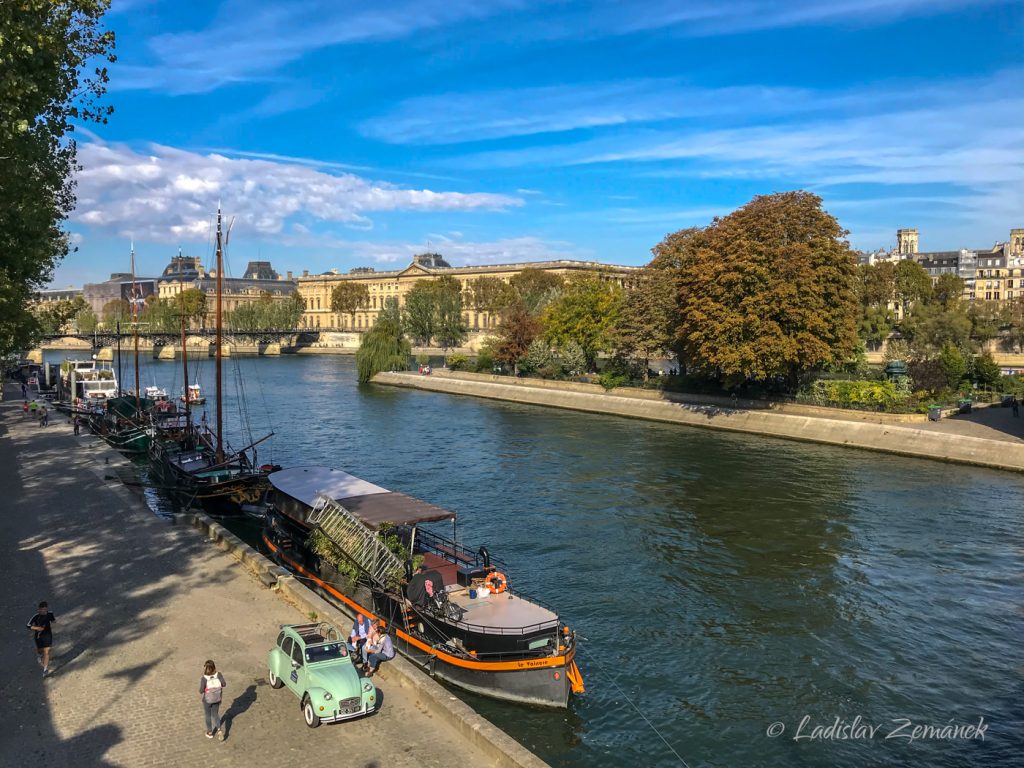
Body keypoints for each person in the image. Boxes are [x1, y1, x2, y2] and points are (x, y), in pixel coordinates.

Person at [199, 660, 227, 740]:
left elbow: (201, 691)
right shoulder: (219, 675)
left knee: (208, 715)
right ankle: (219, 730)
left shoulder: (204, 678)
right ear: (214, 667)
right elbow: (224, 684)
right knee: (215, 714)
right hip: (217, 698)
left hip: (207, 700)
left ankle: (210, 732)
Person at [27, 601, 56, 676]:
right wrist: (37, 628)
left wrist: (55, 623)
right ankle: (39, 655)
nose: (44, 611)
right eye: (42, 610)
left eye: (45, 610)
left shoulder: (50, 614)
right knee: (40, 651)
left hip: (48, 635)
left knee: (47, 651)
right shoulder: (36, 616)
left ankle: (45, 670)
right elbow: (28, 625)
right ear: (39, 610)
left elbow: (53, 621)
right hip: (39, 637)